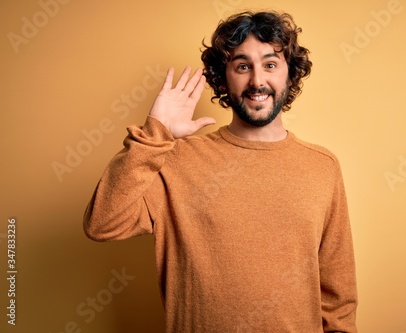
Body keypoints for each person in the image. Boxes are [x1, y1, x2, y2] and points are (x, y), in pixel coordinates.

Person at [84, 10, 357, 333]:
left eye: (270, 64)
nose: (257, 81)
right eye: (243, 66)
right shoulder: (174, 160)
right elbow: (102, 223)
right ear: (224, 78)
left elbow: (338, 297)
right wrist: (155, 135)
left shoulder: (322, 166)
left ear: (290, 74)